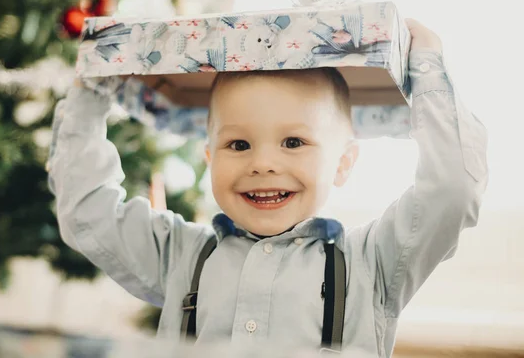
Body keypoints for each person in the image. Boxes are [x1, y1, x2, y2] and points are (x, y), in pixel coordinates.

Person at [46, 19, 488, 357]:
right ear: (210, 158)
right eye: (238, 144)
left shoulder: (372, 264)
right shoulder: (180, 255)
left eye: (294, 142)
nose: (262, 164)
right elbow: (88, 210)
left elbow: (452, 189)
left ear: (344, 162)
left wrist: (427, 68)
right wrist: (92, 88)